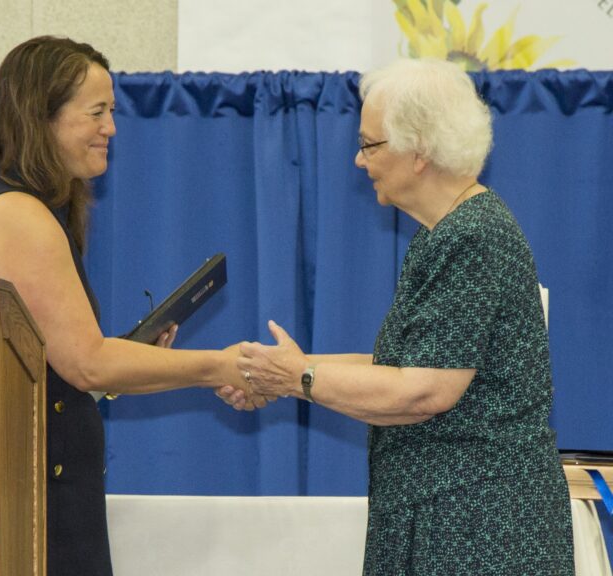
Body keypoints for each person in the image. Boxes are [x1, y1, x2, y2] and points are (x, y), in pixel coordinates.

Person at [221, 58, 574, 575]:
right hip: (453, 517)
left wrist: (298, 376)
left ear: (421, 149)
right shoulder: (444, 233)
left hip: (479, 529)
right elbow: (401, 366)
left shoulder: (471, 237)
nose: (359, 162)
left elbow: (424, 391)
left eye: (369, 145)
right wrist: (288, 369)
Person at [0, 36, 261, 576]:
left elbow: (75, 369)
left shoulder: (22, 205)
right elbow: (87, 364)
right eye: (97, 112)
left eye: (112, 111)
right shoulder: (18, 215)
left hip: (38, 490)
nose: (111, 128)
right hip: (31, 506)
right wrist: (222, 366)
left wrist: (138, 361)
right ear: (40, 117)